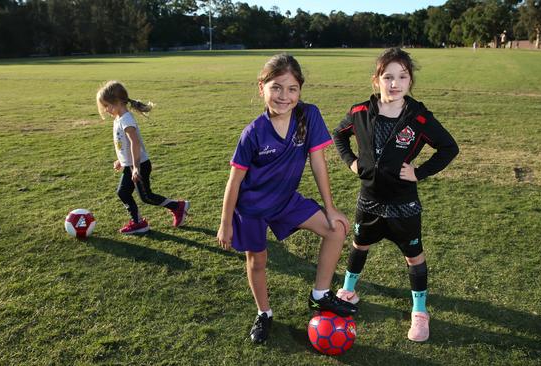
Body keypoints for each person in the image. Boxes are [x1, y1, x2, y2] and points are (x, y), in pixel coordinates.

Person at [217, 54, 358, 344]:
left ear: (300, 91)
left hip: (285, 202)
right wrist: (225, 224)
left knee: (337, 228)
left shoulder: (308, 116)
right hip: (252, 208)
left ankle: (320, 295)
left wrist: (330, 208)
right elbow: (235, 181)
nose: (284, 96)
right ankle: (264, 313)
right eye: (276, 87)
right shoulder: (253, 133)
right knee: (258, 260)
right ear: (262, 88)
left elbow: (318, 162)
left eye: (292, 88)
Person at [332, 48, 458, 342]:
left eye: (402, 76)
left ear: (410, 80)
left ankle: (420, 311)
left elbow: (449, 147)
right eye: (388, 77)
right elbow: (338, 135)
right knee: (359, 245)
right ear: (376, 80)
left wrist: (419, 172)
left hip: (404, 204)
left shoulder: (419, 117)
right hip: (370, 200)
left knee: (414, 258)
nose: (395, 83)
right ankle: (349, 292)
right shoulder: (360, 112)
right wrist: (352, 161)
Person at [96, 81, 189, 234]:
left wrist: (135, 168)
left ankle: (178, 207)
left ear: (118, 102)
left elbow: (135, 143)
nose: (106, 110)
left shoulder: (126, 119)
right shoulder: (119, 119)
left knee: (146, 197)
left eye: (107, 106)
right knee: (123, 192)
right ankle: (138, 222)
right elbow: (125, 144)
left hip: (139, 165)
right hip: (130, 165)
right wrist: (121, 160)